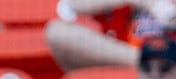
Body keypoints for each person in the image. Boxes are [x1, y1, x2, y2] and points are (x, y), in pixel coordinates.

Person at [45, 0, 175, 72]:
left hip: (171, 64)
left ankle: (155, 63)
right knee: (58, 33)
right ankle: (147, 62)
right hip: (126, 61)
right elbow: (72, 4)